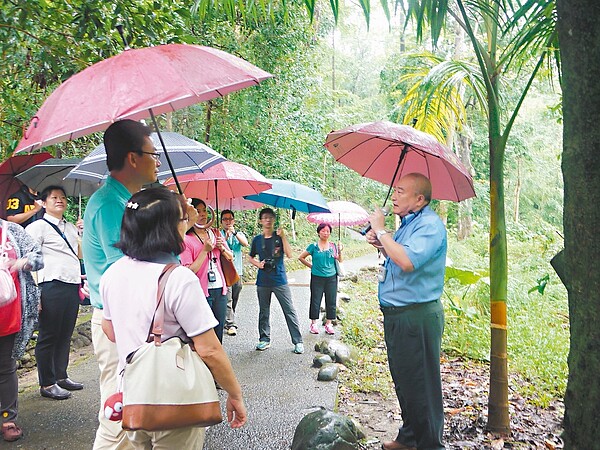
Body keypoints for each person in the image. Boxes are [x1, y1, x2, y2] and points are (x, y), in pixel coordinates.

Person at [100, 188, 246, 449]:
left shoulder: (112, 273)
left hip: (134, 392)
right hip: (173, 397)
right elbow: (210, 349)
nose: (186, 225)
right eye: (182, 220)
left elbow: (109, 330)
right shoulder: (179, 279)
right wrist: (234, 393)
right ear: (166, 229)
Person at [82, 119, 160, 450]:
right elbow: (131, 268)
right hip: (117, 322)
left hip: (129, 319)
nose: (156, 160)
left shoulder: (124, 201)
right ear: (132, 158)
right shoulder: (109, 205)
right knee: (118, 414)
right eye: (151, 154)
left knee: (136, 414)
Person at [365, 173, 447, 450]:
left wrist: (382, 230)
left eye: (401, 192)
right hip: (398, 315)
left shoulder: (430, 226)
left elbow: (408, 261)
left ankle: (430, 445)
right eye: (395, 191)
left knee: (422, 386)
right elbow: (396, 255)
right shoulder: (409, 223)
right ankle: (410, 438)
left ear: (419, 199)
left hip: (417, 316)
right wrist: (381, 241)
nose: (395, 196)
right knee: (405, 382)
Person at [25, 186, 84, 400]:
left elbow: (79, 255)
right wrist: (35, 293)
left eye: (62, 197)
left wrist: (81, 233)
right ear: (44, 202)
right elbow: (30, 260)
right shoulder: (38, 227)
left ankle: (61, 376)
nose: (59, 200)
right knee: (49, 334)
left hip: (70, 283)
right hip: (50, 284)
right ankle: (47, 383)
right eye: (54, 197)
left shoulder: (69, 227)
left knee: (65, 334)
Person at [0, 218, 43, 442]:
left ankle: (8, 418)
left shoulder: (12, 230)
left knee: (6, 367)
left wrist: (20, 264)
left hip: (9, 312)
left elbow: (38, 257)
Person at [248, 208, 304, 354]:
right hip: (263, 281)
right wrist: (258, 264)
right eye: (265, 217)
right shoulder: (257, 240)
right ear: (260, 221)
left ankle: (298, 341)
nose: (267, 220)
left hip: (279, 279)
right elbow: (250, 257)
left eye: (270, 217)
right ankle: (264, 339)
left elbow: (290, 254)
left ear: (274, 220)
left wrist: (284, 236)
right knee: (263, 311)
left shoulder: (279, 237)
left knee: (289, 310)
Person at [180, 199, 234, 343]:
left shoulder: (215, 233)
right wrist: (205, 250)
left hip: (220, 289)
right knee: (204, 333)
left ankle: (217, 361)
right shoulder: (186, 239)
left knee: (219, 329)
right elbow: (189, 270)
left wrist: (222, 247)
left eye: (204, 210)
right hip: (201, 292)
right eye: (198, 211)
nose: (203, 214)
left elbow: (230, 257)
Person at [298, 223, 342, 335]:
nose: (325, 233)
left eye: (328, 231)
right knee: (315, 300)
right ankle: (313, 323)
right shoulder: (313, 246)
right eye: (323, 231)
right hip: (317, 277)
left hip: (331, 277)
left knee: (331, 301)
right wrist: (311, 266)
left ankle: (329, 324)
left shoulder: (333, 246)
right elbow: (301, 257)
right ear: (318, 232)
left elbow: (340, 260)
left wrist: (340, 250)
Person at [220, 209, 249, 336]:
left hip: (237, 271)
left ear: (234, 220)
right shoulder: (218, 234)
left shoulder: (239, 233)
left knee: (235, 294)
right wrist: (225, 236)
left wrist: (234, 233)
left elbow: (245, 243)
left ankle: (229, 317)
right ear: (221, 222)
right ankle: (230, 324)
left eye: (230, 219)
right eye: (225, 219)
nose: (228, 221)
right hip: (224, 271)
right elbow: (219, 247)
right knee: (228, 298)